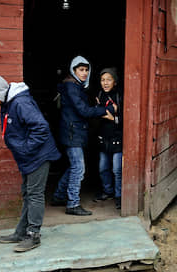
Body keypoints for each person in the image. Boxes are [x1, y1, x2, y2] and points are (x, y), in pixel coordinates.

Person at [0, 74, 61, 252]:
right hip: (28, 157)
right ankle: (21, 232)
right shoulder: (8, 103)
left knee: (35, 194)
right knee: (27, 193)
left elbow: (41, 128)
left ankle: (33, 235)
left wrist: (24, 149)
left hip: (38, 156)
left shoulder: (21, 103)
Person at [51, 56, 116, 216]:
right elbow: (84, 111)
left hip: (74, 131)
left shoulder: (75, 86)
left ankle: (59, 196)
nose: (85, 73)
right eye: (81, 70)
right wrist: (106, 110)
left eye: (87, 70)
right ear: (74, 70)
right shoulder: (72, 87)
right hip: (73, 132)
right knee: (78, 168)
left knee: (74, 166)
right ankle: (72, 204)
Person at [93, 68, 123, 210]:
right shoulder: (99, 95)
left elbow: (126, 118)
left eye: (109, 80)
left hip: (117, 138)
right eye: (103, 80)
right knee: (103, 168)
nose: (105, 83)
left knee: (117, 169)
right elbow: (94, 115)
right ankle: (108, 191)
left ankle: (119, 196)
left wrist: (114, 118)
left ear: (115, 82)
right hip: (103, 137)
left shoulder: (120, 96)